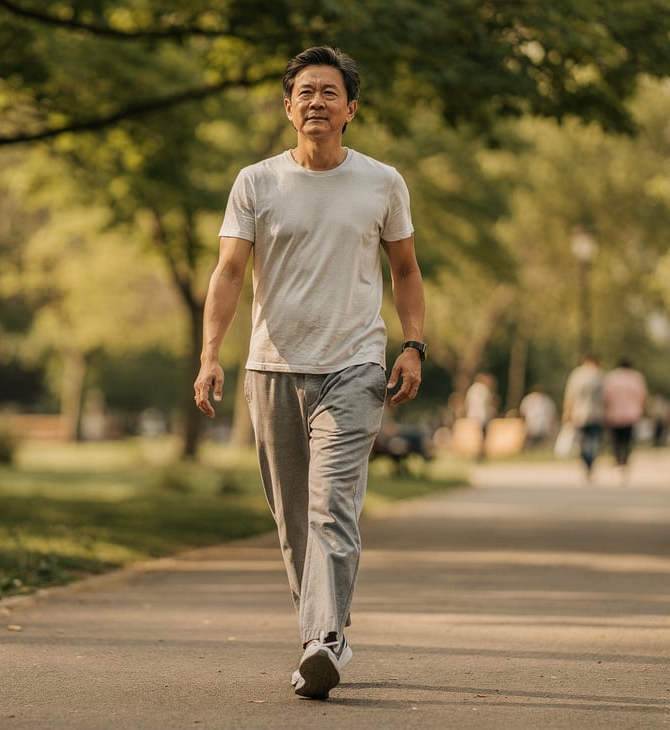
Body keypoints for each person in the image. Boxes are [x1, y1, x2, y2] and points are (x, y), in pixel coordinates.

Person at [193, 46, 426, 701]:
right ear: (287, 106)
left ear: (351, 108)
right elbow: (231, 271)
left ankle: (326, 639)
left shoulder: (382, 183)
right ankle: (319, 633)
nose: (317, 101)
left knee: (331, 510)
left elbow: (405, 270)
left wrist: (414, 345)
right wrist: (212, 353)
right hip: (271, 368)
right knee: (293, 518)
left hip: (354, 367)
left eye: (330, 92)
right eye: (305, 92)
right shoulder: (255, 183)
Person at [602, 358, 648, 479]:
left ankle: (618, 461)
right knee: (627, 440)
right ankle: (625, 462)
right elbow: (642, 396)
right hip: (631, 415)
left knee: (616, 440)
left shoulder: (612, 377)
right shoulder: (636, 378)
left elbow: (606, 396)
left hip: (614, 414)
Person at [562, 354, 605, 480]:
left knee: (581, 441)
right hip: (597, 414)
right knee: (593, 440)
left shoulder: (577, 375)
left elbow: (570, 395)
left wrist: (567, 412)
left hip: (579, 414)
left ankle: (587, 462)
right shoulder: (600, 376)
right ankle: (590, 462)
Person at [464, 373, 498, 458]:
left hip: (473, 415)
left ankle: (477, 451)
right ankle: (480, 452)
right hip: (482, 416)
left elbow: (467, 403)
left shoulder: (472, 389)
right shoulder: (484, 389)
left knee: (476, 435)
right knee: (482, 435)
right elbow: (489, 403)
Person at [518, 384, 558, 449]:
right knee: (530, 444)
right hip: (531, 426)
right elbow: (523, 413)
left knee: (542, 445)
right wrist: (523, 425)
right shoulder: (529, 399)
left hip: (543, 427)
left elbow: (552, 415)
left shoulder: (547, 401)